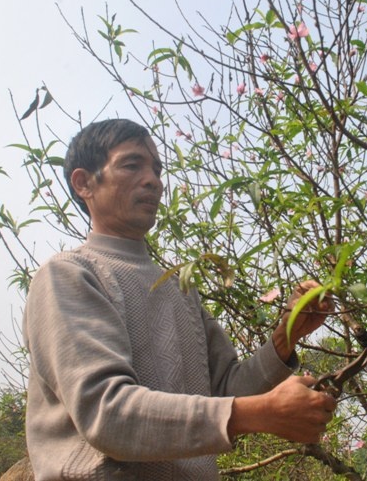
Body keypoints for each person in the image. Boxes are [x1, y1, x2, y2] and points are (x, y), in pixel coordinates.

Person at [23, 118, 336, 480]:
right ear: (84, 183)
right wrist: (260, 412)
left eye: (157, 169)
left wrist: (286, 336)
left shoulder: (178, 288)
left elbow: (226, 391)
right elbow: (107, 415)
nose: (153, 180)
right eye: (131, 164)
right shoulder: (69, 274)